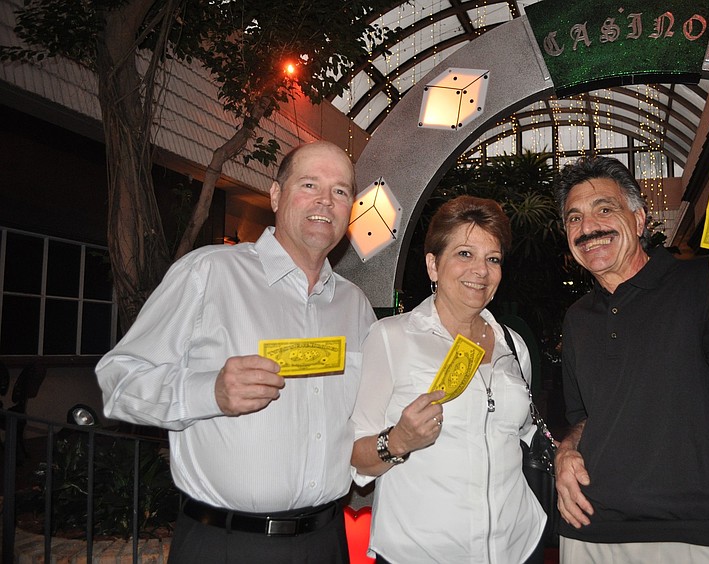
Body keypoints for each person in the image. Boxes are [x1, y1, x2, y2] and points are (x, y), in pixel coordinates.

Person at [96, 141, 376, 564]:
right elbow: (117, 380)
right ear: (277, 195)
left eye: (340, 191)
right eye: (309, 184)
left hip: (326, 542)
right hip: (227, 544)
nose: (325, 200)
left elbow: (367, 415)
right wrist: (210, 392)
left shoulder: (354, 305)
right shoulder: (208, 273)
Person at [552, 156, 709, 563]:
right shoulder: (577, 319)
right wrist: (565, 451)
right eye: (574, 218)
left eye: (605, 209)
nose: (588, 227)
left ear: (640, 220)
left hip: (692, 535)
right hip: (589, 532)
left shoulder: (704, 284)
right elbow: (587, 419)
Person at [350, 196, 546, 563]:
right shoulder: (391, 338)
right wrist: (398, 441)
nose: (481, 271)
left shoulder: (513, 345)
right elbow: (354, 456)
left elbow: (520, 437)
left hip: (518, 547)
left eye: (493, 259)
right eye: (464, 254)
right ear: (433, 265)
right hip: (421, 553)